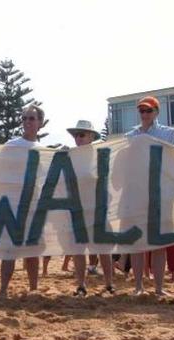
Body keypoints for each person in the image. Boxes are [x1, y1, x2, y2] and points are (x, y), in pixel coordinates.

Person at [124, 96, 174, 296]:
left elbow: (173, 160)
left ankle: (158, 288)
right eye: (142, 111)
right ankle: (138, 286)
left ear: (156, 112)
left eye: (148, 110)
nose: (145, 114)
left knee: (159, 244)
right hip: (136, 195)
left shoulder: (169, 133)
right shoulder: (130, 135)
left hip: (160, 194)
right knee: (137, 244)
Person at [0, 105, 44, 296]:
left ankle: (33, 288)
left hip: (34, 205)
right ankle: (3, 289)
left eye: (31, 118)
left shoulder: (43, 150)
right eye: (24, 118)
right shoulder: (11, 145)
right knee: (9, 251)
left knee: (33, 251)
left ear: (40, 123)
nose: (27, 122)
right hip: (14, 205)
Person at [66, 120, 115, 296]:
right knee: (78, 250)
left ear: (91, 137)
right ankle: (81, 285)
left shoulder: (99, 156)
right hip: (77, 210)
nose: (78, 138)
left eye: (82, 135)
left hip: (97, 209)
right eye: (76, 135)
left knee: (103, 249)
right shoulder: (69, 156)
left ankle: (109, 284)